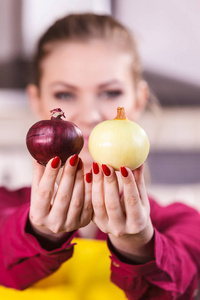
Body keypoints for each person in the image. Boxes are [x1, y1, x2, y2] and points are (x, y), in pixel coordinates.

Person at [0, 13, 200, 300]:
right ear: (37, 101)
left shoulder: (183, 224)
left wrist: (139, 247)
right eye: (65, 95)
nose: (91, 116)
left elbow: (181, 285)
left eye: (111, 92)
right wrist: (37, 233)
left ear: (138, 100)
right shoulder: (3, 208)